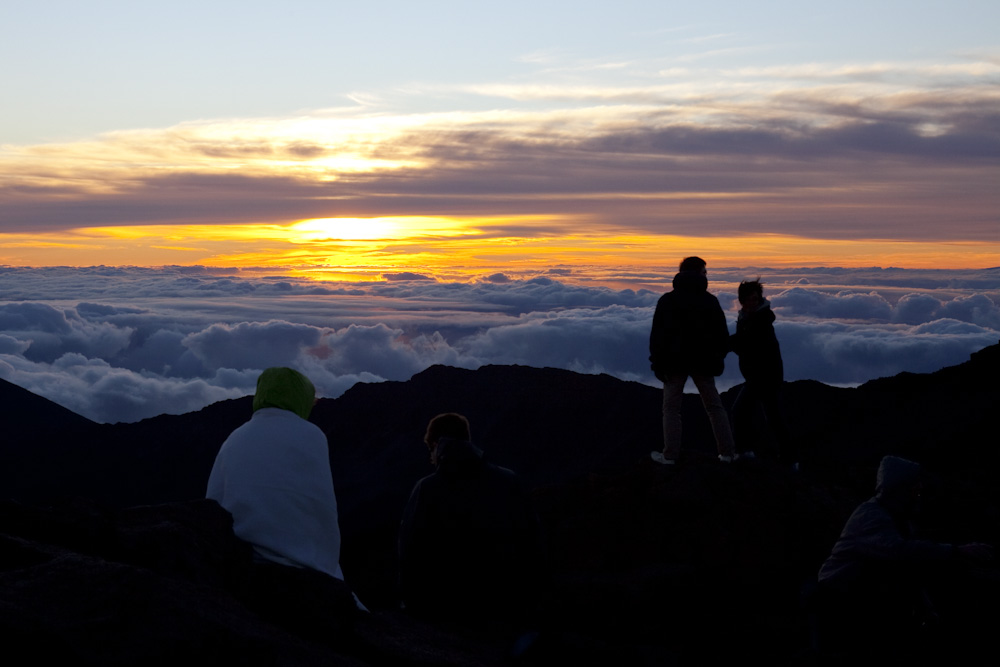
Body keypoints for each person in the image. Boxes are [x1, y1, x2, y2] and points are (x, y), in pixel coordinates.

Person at [815, 455, 992, 655]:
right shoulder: (871, 515)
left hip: (859, 596)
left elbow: (908, 565)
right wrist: (954, 550)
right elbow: (899, 551)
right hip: (838, 600)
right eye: (914, 487)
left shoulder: (897, 519)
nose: (919, 492)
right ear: (900, 489)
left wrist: (927, 606)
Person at [398, 413, 543, 626]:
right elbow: (533, 543)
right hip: (507, 611)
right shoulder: (509, 481)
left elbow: (411, 553)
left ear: (437, 445)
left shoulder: (427, 488)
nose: (431, 458)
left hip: (446, 614)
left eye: (431, 450)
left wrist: (411, 610)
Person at [649, 256, 735, 464]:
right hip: (704, 362)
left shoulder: (667, 300)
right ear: (699, 273)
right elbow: (721, 336)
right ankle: (727, 454)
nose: (707, 275)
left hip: (673, 363)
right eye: (705, 272)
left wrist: (657, 363)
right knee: (714, 407)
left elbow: (658, 336)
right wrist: (718, 358)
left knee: (671, 409)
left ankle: (670, 456)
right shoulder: (709, 301)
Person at [728, 279, 797, 468]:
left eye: (755, 299)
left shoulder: (760, 320)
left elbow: (745, 343)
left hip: (765, 377)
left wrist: (722, 344)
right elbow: (743, 344)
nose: (752, 303)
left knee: (741, 412)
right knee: (772, 417)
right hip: (760, 376)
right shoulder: (747, 318)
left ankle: (745, 453)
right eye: (748, 300)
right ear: (741, 300)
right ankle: (789, 460)